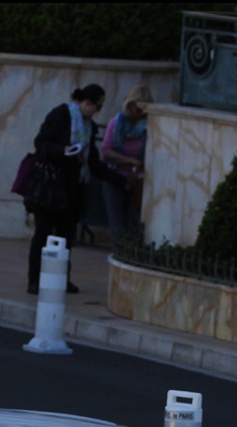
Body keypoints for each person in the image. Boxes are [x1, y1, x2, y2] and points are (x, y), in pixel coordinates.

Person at [26, 84, 124, 294]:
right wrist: (64, 150)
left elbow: (93, 163)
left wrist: (120, 180)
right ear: (86, 102)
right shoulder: (61, 115)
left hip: (72, 189)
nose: (97, 111)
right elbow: (41, 144)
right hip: (51, 186)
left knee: (65, 236)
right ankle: (34, 280)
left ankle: (61, 277)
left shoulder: (89, 127)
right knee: (43, 233)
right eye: (97, 106)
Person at [98, 85, 152, 239]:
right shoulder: (117, 122)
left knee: (135, 225)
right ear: (131, 105)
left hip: (137, 182)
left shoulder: (149, 126)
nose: (141, 114)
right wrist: (130, 161)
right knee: (117, 227)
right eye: (139, 109)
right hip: (115, 178)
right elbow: (106, 150)